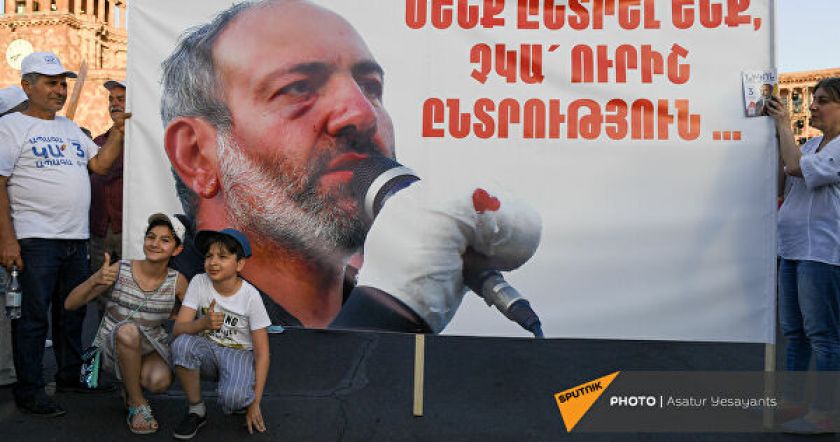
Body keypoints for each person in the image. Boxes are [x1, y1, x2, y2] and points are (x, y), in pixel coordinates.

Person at [161, 0, 395, 328]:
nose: (362, 113)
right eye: (298, 88)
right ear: (196, 156)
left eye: (370, 87)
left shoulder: (375, 308)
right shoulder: (159, 323)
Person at [0, 51, 130, 416]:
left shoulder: (70, 128)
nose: (60, 90)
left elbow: (99, 164)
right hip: (35, 240)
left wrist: (118, 131)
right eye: (51, 83)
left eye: (62, 84)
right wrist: (7, 240)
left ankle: (71, 375)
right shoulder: (9, 128)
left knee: (72, 312)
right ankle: (30, 389)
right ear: (28, 86)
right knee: (33, 317)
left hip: (76, 238)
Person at [64, 213, 188, 433]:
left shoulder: (178, 282)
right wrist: (94, 280)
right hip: (113, 345)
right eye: (151, 237)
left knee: (158, 381)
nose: (155, 244)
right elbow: (70, 304)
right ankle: (137, 404)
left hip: (150, 345)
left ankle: (129, 388)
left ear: (177, 249)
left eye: (165, 240)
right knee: (128, 331)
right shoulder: (120, 269)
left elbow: (186, 318)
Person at [766, 77, 840, 434]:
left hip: (821, 252)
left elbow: (796, 169)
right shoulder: (810, 145)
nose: (812, 105)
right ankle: (794, 401)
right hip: (793, 248)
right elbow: (783, 181)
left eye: (822, 100)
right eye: (814, 99)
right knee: (794, 332)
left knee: (823, 335)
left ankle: (825, 412)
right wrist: (774, 144)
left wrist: (784, 125)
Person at [170, 228, 270, 439]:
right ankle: (196, 410)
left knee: (234, 399)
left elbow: (262, 353)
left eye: (222, 257)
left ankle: (240, 393)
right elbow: (178, 329)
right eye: (209, 256)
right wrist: (202, 324)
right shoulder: (199, 281)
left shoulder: (250, 296)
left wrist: (255, 403)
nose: (213, 262)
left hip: (238, 353)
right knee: (181, 344)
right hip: (208, 349)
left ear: (240, 264)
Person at [90, 80, 127, 275]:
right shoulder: (98, 141)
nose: (114, 104)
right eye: (111, 100)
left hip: (130, 229)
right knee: (98, 283)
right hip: (100, 230)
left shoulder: (142, 142)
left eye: (121, 99)